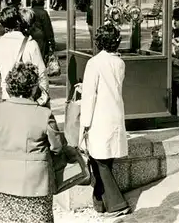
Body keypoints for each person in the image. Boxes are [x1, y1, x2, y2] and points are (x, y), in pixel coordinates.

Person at [0, 62, 63, 223]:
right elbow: (57, 147)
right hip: (36, 185)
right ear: (34, 88)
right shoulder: (44, 114)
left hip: (4, 182)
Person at [80, 23, 131, 218]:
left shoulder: (94, 63)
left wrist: (85, 122)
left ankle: (117, 203)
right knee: (104, 159)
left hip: (98, 116)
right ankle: (99, 200)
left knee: (99, 160)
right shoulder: (120, 63)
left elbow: (90, 96)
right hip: (114, 113)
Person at [0, 6, 49, 102]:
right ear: (19, 22)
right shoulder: (31, 44)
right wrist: (44, 98)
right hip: (29, 99)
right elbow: (42, 74)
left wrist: (6, 78)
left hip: (8, 97)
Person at [30, 0, 56, 66]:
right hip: (41, 37)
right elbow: (47, 27)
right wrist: (51, 40)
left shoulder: (30, 11)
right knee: (40, 56)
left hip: (31, 35)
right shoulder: (43, 13)